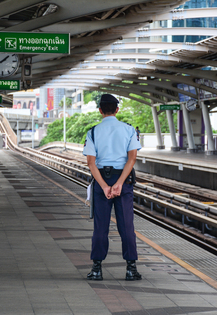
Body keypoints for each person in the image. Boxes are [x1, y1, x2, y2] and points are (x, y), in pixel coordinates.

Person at [83, 94, 142, 281]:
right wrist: (119, 184)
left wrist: (105, 186)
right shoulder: (129, 130)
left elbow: (91, 163)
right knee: (126, 226)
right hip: (123, 182)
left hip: (101, 182)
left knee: (100, 227)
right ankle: (131, 269)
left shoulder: (92, 132)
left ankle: (97, 269)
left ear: (100, 110)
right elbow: (132, 159)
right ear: (117, 110)